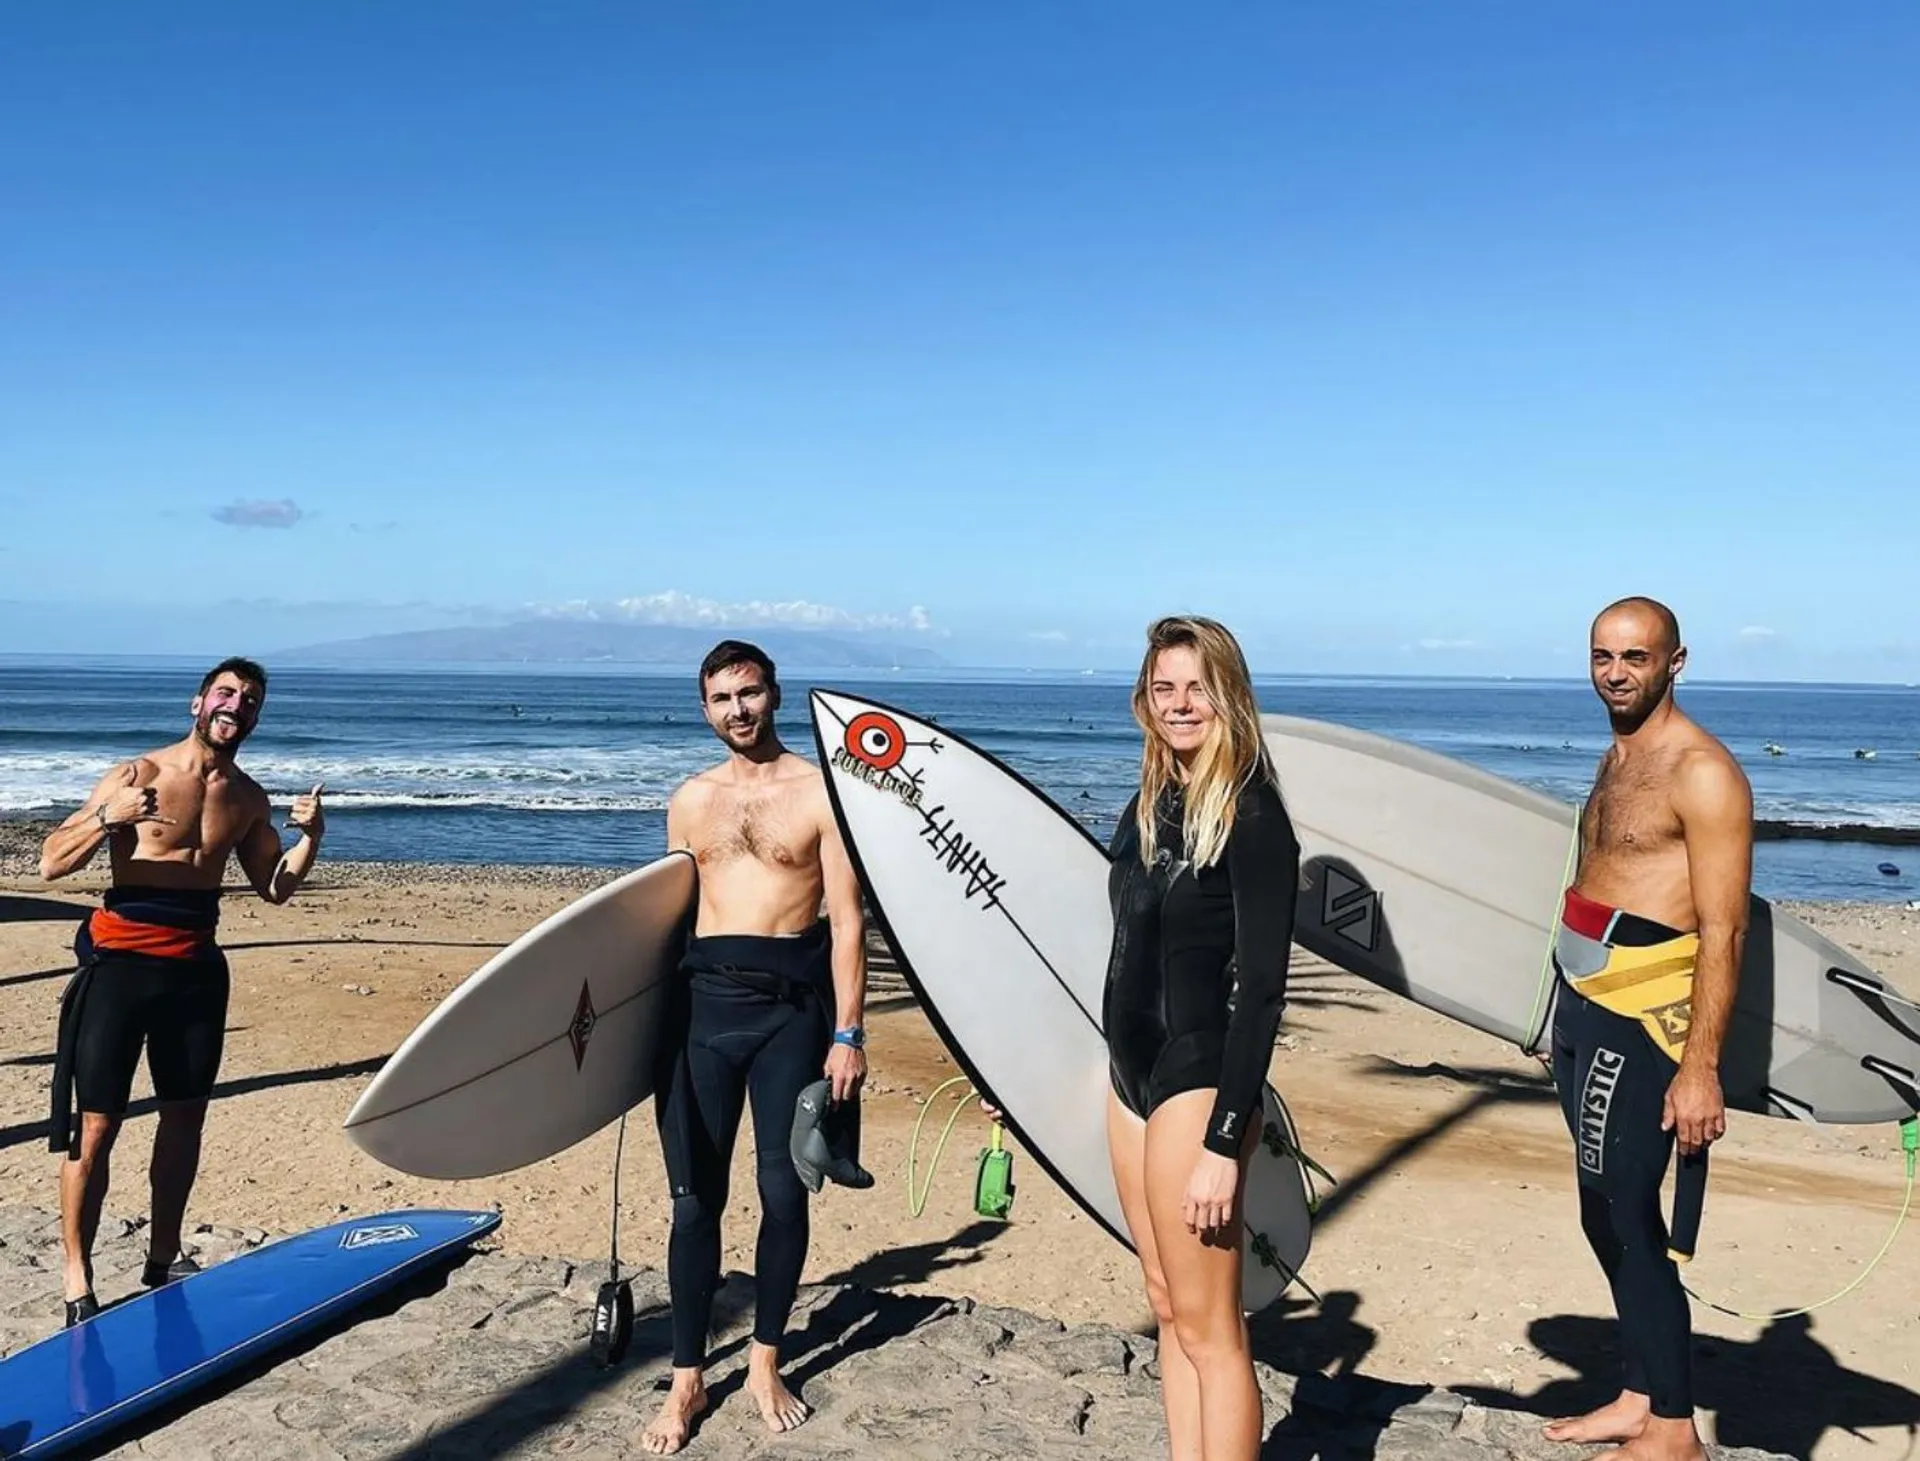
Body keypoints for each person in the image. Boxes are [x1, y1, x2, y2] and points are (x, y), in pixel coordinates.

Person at [39, 657, 325, 1326]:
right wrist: (109, 817)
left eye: (250, 699)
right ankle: (77, 1277)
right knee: (99, 1125)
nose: (237, 705)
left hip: (195, 971)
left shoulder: (248, 797)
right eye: (226, 692)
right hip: (119, 969)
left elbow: (275, 887)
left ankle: (162, 1255)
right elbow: (52, 861)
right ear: (197, 703)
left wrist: (310, 838)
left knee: (185, 1116)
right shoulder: (137, 774)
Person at [641, 639, 869, 1455]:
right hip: (701, 1011)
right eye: (720, 698)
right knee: (694, 1200)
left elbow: (846, 919)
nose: (736, 710)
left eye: (749, 693)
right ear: (703, 708)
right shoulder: (688, 801)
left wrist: (848, 1032)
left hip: (790, 1017)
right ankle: (689, 1376)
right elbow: (658, 922)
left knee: (783, 1192)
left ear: (773, 695)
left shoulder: (817, 793)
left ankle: (767, 1359)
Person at [1543, 597, 1752, 1461]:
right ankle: (1642, 1391)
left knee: (1626, 1209)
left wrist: (1700, 1066)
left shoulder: (1701, 770)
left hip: (1643, 1019)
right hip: (1582, 1001)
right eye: (1602, 656)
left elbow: (1724, 927)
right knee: (1601, 1209)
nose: (1616, 672)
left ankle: (1674, 1431)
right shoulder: (1621, 750)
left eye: (1635, 656)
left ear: (1676, 661)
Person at [1102, 615, 1301, 1461]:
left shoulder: (1254, 814)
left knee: (1213, 1325)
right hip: (1129, 1075)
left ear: (1229, 695)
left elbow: (1260, 990)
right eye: (1164, 687)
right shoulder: (1152, 800)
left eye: (1197, 687)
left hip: (1199, 1074)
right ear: (1147, 701)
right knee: (1166, 1299)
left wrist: (1227, 1138)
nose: (1180, 703)